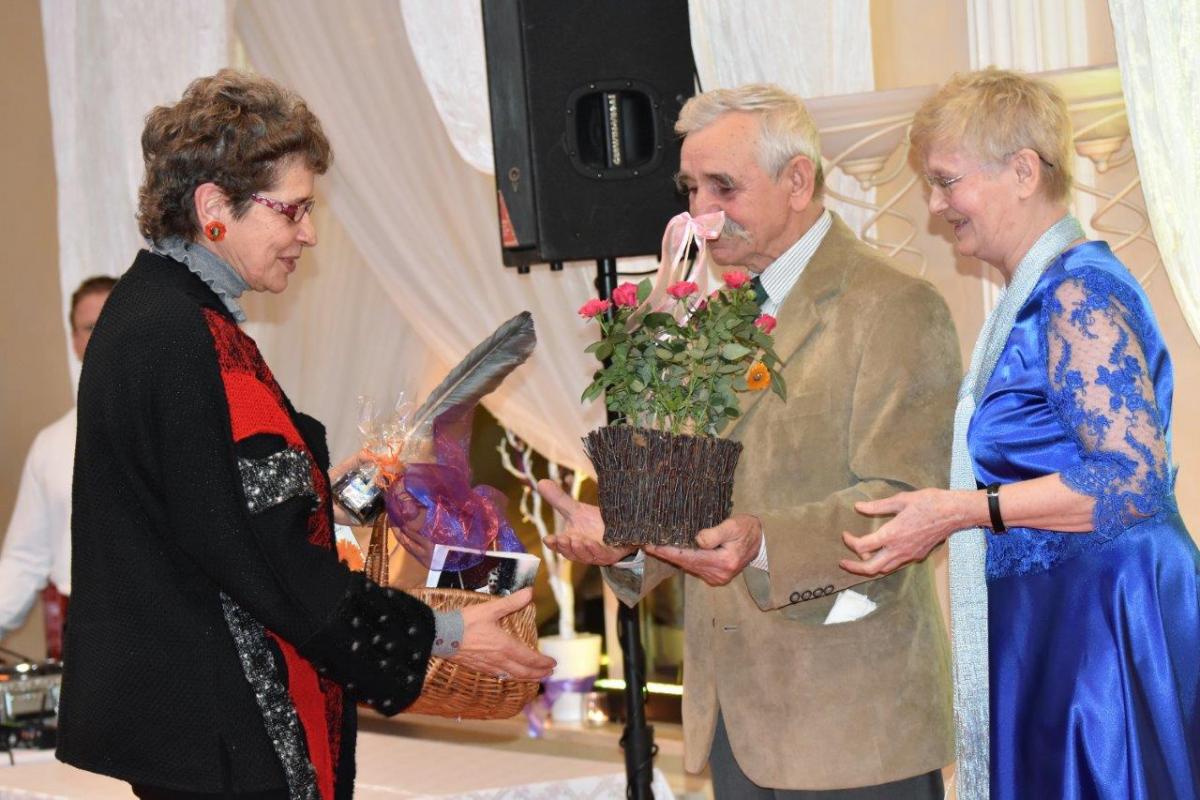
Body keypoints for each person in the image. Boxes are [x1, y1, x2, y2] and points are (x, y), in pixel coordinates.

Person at [56, 70, 553, 800]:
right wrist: (442, 635)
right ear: (213, 207)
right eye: (292, 210)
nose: (308, 233)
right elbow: (269, 560)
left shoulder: (151, 314)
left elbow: (213, 509)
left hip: (198, 729)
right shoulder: (184, 337)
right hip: (224, 731)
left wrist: (323, 489)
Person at [538, 84, 961, 798]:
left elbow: (904, 506)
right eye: (691, 188)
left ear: (797, 181)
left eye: (723, 186)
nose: (700, 212)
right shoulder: (711, 316)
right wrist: (625, 543)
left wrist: (763, 542)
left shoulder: (894, 304)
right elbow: (694, 509)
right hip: (733, 724)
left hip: (855, 728)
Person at [840, 68, 1200, 799]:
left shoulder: (1075, 293)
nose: (935, 205)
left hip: (1104, 618)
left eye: (947, 181)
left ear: (1024, 172)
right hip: (1064, 611)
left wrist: (962, 510)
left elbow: (1132, 480)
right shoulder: (1042, 293)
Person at [0, 276, 115, 656]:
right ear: (75, 341)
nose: (102, 335)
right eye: (90, 327)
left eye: (112, 320)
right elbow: (25, 557)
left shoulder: (179, 426)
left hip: (169, 630)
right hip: (84, 636)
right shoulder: (51, 445)